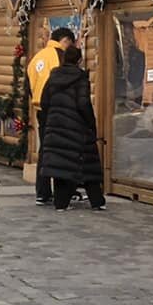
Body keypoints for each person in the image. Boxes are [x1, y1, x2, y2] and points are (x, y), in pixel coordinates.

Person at [37, 42, 106, 211]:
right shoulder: (80, 77)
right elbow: (83, 103)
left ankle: (61, 204)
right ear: (79, 60)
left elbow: (44, 101)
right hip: (77, 127)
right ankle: (97, 201)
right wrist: (91, 123)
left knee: (61, 166)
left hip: (56, 126)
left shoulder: (53, 77)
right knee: (88, 164)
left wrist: (52, 118)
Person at [26, 26, 77, 206]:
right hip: (58, 109)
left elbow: (28, 85)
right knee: (62, 149)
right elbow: (61, 83)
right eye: (70, 43)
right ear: (65, 40)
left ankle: (42, 192)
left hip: (41, 109)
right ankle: (64, 191)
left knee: (45, 150)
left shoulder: (37, 58)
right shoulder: (59, 56)